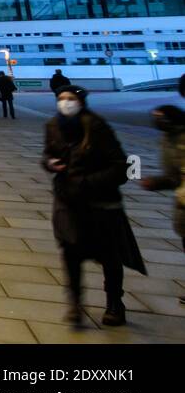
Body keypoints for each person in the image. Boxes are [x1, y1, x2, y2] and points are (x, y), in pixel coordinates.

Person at [42, 86, 144, 327]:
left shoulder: (97, 127)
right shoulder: (53, 126)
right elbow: (47, 155)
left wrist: (88, 182)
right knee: (70, 254)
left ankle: (114, 303)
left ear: (81, 101)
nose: (65, 103)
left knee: (109, 256)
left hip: (99, 204)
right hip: (68, 203)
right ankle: (75, 305)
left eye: (70, 99)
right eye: (61, 99)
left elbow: (121, 167)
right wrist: (50, 163)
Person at [141, 104, 185, 303]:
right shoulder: (168, 139)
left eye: (161, 117)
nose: (158, 121)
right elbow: (174, 175)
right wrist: (157, 182)